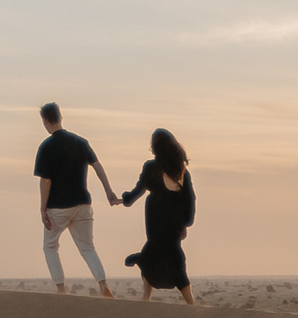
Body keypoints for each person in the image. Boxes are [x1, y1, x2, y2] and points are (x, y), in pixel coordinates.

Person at [32, 102, 119, 295]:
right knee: (88, 248)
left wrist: (42, 209)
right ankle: (103, 284)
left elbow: (45, 181)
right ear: (60, 117)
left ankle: (61, 288)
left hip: (57, 207)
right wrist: (109, 191)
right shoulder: (80, 142)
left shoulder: (46, 147)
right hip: (82, 204)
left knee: (50, 246)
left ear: (45, 121)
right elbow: (97, 166)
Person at [119, 128, 197, 304]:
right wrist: (186, 223)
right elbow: (190, 199)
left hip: (156, 219)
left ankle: (145, 279)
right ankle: (153, 296)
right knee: (167, 255)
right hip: (174, 223)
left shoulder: (151, 167)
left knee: (157, 254)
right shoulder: (181, 171)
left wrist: (125, 199)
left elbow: (139, 189)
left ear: (155, 147)